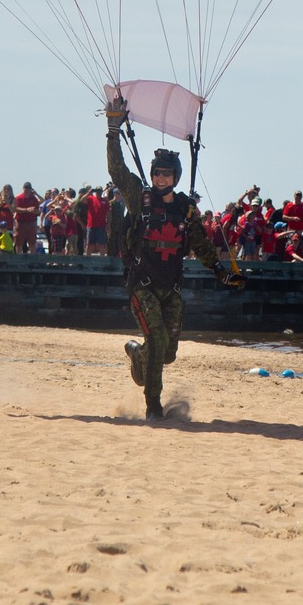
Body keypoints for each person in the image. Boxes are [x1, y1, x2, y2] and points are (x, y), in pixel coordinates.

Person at [103, 96, 240, 419]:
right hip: (143, 284)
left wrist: (221, 271)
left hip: (171, 288)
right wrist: (113, 130)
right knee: (158, 337)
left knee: (167, 353)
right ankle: (153, 407)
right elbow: (118, 171)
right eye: (157, 174)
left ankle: (139, 355)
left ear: (176, 177)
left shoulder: (185, 208)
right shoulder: (140, 198)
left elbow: (201, 245)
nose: (161, 179)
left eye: (166, 174)